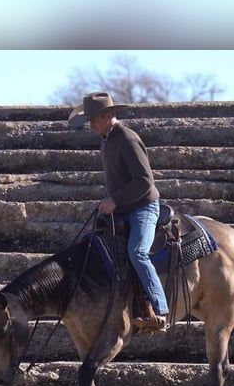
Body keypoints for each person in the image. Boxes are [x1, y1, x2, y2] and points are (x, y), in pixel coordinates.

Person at [68, 91, 169, 334]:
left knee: (137, 253)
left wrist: (115, 199)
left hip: (143, 207)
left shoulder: (127, 138)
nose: (91, 125)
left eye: (93, 119)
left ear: (108, 116)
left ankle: (160, 311)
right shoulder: (106, 139)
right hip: (123, 209)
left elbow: (145, 181)